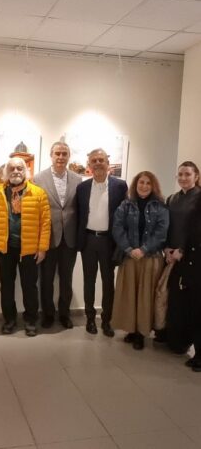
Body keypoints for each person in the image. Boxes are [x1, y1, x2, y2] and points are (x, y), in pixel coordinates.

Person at [0, 157, 51, 337]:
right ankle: (9, 320)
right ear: (6, 172)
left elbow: (45, 223)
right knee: (6, 287)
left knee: (30, 287)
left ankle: (30, 320)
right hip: (6, 248)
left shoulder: (38, 193)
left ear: (25, 171)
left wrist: (42, 248)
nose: (16, 171)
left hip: (30, 249)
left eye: (19, 168)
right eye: (12, 168)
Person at [111, 171, 169, 350]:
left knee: (145, 297)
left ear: (153, 186)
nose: (144, 186)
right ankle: (130, 329)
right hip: (129, 258)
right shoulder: (125, 205)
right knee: (129, 295)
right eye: (141, 182)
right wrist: (129, 249)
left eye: (148, 183)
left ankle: (141, 333)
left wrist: (144, 249)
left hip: (150, 258)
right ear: (135, 185)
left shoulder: (161, 207)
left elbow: (161, 233)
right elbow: (117, 228)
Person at [76, 148, 128, 337]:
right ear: (89, 165)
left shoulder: (120, 186)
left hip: (109, 242)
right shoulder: (82, 188)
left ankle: (107, 320)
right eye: (94, 160)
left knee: (108, 282)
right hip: (88, 240)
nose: (98, 163)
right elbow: (78, 215)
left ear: (108, 163)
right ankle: (90, 318)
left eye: (101, 160)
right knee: (89, 281)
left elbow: (125, 216)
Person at [33, 141, 81, 329]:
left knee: (66, 280)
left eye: (64, 154)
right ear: (51, 155)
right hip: (48, 238)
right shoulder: (38, 178)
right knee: (46, 280)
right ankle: (47, 314)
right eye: (57, 153)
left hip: (69, 238)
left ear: (69, 156)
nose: (61, 157)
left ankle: (64, 314)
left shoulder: (78, 179)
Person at [164, 161, 201, 353]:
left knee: (192, 303)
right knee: (174, 300)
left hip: (193, 258)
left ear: (196, 176)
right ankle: (174, 340)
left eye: (187, 174)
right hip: (171, 256)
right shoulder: (171, 199)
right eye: (180, 174)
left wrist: (182, 250)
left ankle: (193, 345)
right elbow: (166, 226)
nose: (183, 178)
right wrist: (166, 249)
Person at [174, 195, 201, 371]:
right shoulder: (196, 209)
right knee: (195, 313)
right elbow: (189, 238)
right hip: (193, 267)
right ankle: (198, 353)